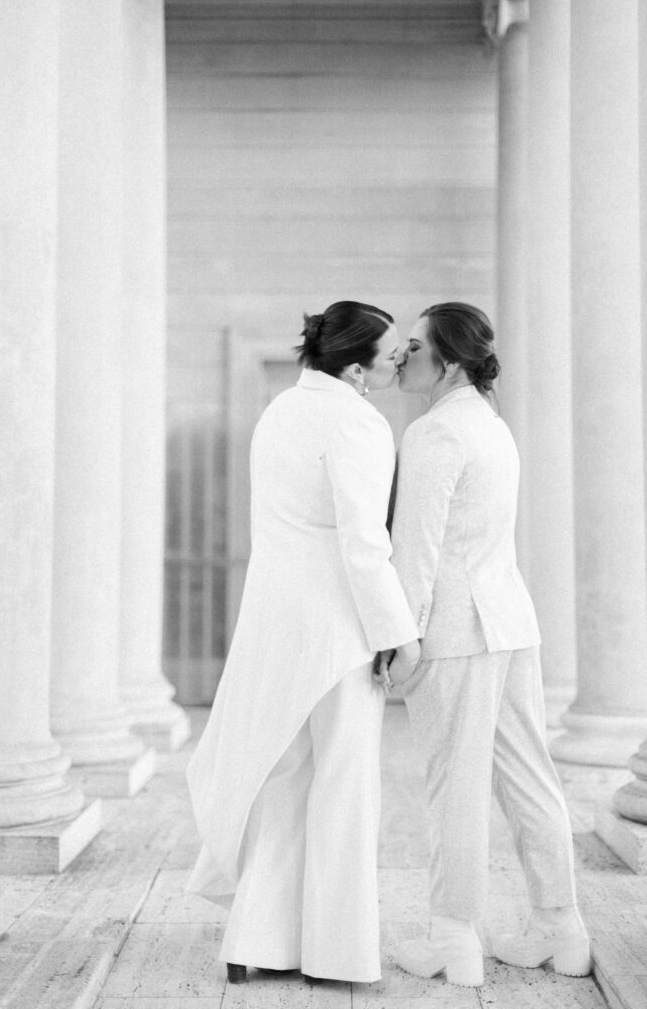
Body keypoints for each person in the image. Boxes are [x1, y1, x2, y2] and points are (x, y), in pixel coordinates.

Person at [186, 301, 421, 986]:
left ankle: (253, 941)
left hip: (272, 616)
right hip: (339, 624)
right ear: (356, 368)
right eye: (389, 354)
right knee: (346, 785)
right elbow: (362, 541)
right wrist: (397, 633)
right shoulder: (358, 421)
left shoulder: (280, 411)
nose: (397, 361)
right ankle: (338, 953)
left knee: (283, 780)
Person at [380, 302, 590, 987]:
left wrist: (399, 635)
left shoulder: (435, 433)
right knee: (531, 778)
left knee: (454, 787)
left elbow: (418, 549)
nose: (401, 356)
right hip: (509, 622)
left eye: (414, 347)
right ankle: (562, 929)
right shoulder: (492, 427)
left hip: (457, 629)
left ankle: (453, 938)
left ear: (451, 361)